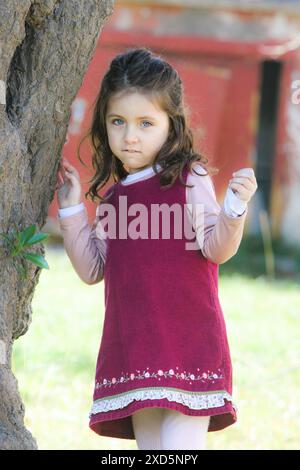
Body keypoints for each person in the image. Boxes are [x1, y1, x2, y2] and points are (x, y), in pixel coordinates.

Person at [55, 47, 258, 450]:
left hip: (187, 343)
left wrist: (234, 207)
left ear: (171, 125)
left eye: (146, 123)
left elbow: (216, 249)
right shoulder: (114, 198)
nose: (130, 135)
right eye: (118, 122)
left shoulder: (188, 178)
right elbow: (93, 268)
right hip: (134, 345)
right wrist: (72, 208)